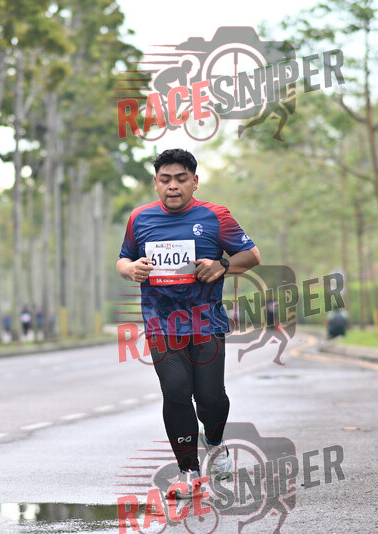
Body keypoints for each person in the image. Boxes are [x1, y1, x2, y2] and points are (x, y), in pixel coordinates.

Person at [116, 148, 260, 499]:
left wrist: (221, 266)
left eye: (181, 179)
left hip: (206, 322)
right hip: (161, 325)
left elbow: (251, 255)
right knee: (176, 392)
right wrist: (131, 269)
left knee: (211, 399)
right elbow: (123, 259)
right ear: (156, 183)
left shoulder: (216, 216)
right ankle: (188, 472)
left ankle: (215, 440)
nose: (173, 186)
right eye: (165, 179)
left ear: (194, 182)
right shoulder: (140, 218)